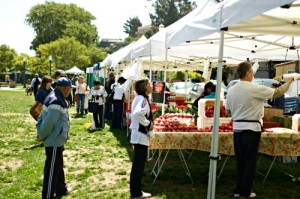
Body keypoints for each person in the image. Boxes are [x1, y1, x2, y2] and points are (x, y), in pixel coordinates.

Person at [225, 61, 293, 198]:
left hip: (237, 128)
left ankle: (239, 190)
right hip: (251, 129)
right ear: (248, 73)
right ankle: (245, 191)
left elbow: (227, 111)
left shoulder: (231, 90)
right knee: (250, 161)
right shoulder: (253, 88)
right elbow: (278, 92)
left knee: (240, 161)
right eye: (252, 72)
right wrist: (289, 81)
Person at [36, 77, 72, 199]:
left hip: (57, 139)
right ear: (66, 89)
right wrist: (41, 135)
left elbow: (42, 118)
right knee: (51, 170)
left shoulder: (56, 96)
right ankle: (47, 196)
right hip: (54, 141)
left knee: (58, 166)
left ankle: (61, 189)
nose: (70, 91)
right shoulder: (56, 100)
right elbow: (49, 123)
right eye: (70, 89)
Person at [129, 79, 153, 199]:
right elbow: (137, 114)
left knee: (138, 166)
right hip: (140, 135)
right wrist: (148, 124)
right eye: (149, 84)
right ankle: (136, 193)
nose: (152, 86)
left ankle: (136, 191)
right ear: (144, 87)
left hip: (139, 135)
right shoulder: (142, 99)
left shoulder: (141, 98)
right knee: (138, 166)